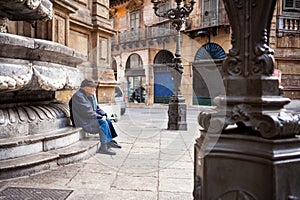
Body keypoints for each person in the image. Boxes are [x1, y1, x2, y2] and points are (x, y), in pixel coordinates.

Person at [69, 79, 121, 155]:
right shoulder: (78, 96)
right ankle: (103, 147)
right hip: (82, 121)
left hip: (89, 118)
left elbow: (96, 108)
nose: (94, 89)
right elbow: (87, 112)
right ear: (85, 87)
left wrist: (103, 114)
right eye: (93, 87)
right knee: (103, 122)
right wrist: (100, 117)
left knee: (107, 120)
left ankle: (110, 140)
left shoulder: (90, 95)